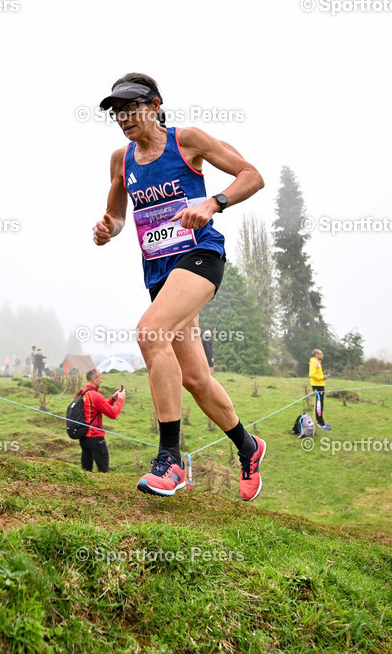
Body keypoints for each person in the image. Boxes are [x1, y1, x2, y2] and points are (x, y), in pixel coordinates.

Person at [93, 73, 267, 501]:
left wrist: (213, 203)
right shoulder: (121, 160)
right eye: (117, 112)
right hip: (161, 274)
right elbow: (116, 215)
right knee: (195, 377)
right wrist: (107, 228)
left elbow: (252, 175)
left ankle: (171, 459)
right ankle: (249, 447)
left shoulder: (186, 140)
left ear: (155, 105)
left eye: (132, 108)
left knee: (151, 332)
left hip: (201, 256)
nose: (124, 118)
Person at [74, 368, 126, 472]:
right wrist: (121, 399)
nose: (102, 380)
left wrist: (113, 399)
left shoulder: (82, 393)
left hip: (84, 437)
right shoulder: (95, 395)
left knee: (85, 471)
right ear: (94, 379)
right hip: (96, 438)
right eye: (100, 378)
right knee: (104, 471)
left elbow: (98, 409)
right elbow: (113, 414)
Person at [309, 349, 331, 429]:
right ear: (316, 354)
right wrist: (322, 377)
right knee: (319, 405)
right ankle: (321, 423)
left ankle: (320, 422)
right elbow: (311, 374)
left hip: (320, 385)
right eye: (321, 354)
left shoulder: (318, 362)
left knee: (320, 404)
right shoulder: (314, 362)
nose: (323, 355)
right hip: (317, 386)